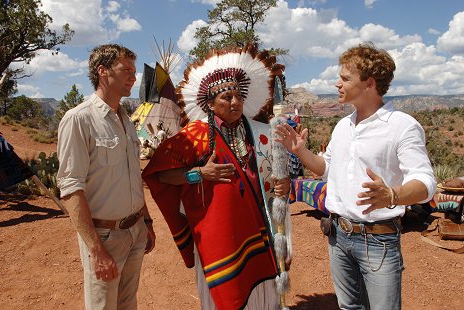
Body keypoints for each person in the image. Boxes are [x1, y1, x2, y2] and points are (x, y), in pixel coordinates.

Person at [275, 42, 436, 310]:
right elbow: (327, 170)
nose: (337, 84)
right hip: (338, 236)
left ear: (369, 83)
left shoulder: (402, 126)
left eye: (345, 78)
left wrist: (392, 195)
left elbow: (426, 183)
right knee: (349, 307)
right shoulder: (343, 126)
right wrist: (301, 152)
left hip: (378, 240)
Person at [142, 45, 291, 310]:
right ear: (210, 104)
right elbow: (159, 174)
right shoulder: (195, 135)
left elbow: (274, 179)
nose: (234, 102)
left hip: (259, 232)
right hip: (218, 238)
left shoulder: (259, 133)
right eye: (226, 97)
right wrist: (198, 174)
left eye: (238, 96)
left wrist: (282, 184)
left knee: (263, 295)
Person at [57, 44, 156, 309]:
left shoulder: (125, 119)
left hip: (134, 231)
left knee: (127, 304)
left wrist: (146, 220)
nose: (133, 77)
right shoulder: (79, 119)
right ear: (102, 71)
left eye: (134, 71)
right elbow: (70, 188)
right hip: (105, 237)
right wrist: (95, 249)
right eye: (126, 70)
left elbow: (132, 175)